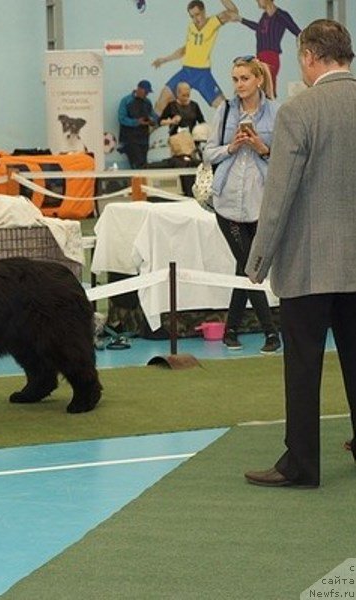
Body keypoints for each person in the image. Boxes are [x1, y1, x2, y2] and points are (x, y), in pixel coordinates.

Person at [244, 20, 356, 489]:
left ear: (310, 55)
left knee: (304, 365)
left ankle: (302, 465)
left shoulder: (299, 109)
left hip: (311, 265)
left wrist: (258, 261)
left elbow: (280, 194)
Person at [203, 56, 280, 353]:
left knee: (244, 267)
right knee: (250, 266)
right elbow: (208, 154)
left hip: (261, 202)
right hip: (227, 203)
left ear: (258, 79)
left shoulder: (277, 112)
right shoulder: (224, 111)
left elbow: (285, 158)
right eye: (235, 79)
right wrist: (231, 147)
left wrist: (262, 148)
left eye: (244, 78)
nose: (238, 85)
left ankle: (230, 329)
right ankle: (271, 332)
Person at [151, 0, 240, 114]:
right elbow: (185, 50)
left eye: (197, 15)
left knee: (224, 108)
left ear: (203, 11)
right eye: (192, 16)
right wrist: (164, 59)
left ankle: (243, 126)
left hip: (202, 74)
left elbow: (233, 11)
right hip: (186, 72)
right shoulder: (191, 27)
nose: (195, 19)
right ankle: (148, 130)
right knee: (161, 102)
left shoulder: (213, 22)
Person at [238, 0, 300, 98]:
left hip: (270, 57)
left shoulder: (281, 15)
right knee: (262, 90)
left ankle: (271, 111)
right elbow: (259, 28)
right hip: (261, 57)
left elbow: (297, 32)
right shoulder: (264, 17)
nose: (257, 1)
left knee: (267, 90)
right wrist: (240, 19)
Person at [117, 79, 159, 169]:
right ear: (139, 89)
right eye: (146, 92)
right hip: (130, 138)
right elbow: (121, 119)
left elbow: (153, 115)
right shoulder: (126, 101)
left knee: (143, 164)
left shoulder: (147, 102)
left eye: (148, 92)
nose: (147, 94)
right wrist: (136, 122)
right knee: (136, 164)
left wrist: (152, 121)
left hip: (143, 138)